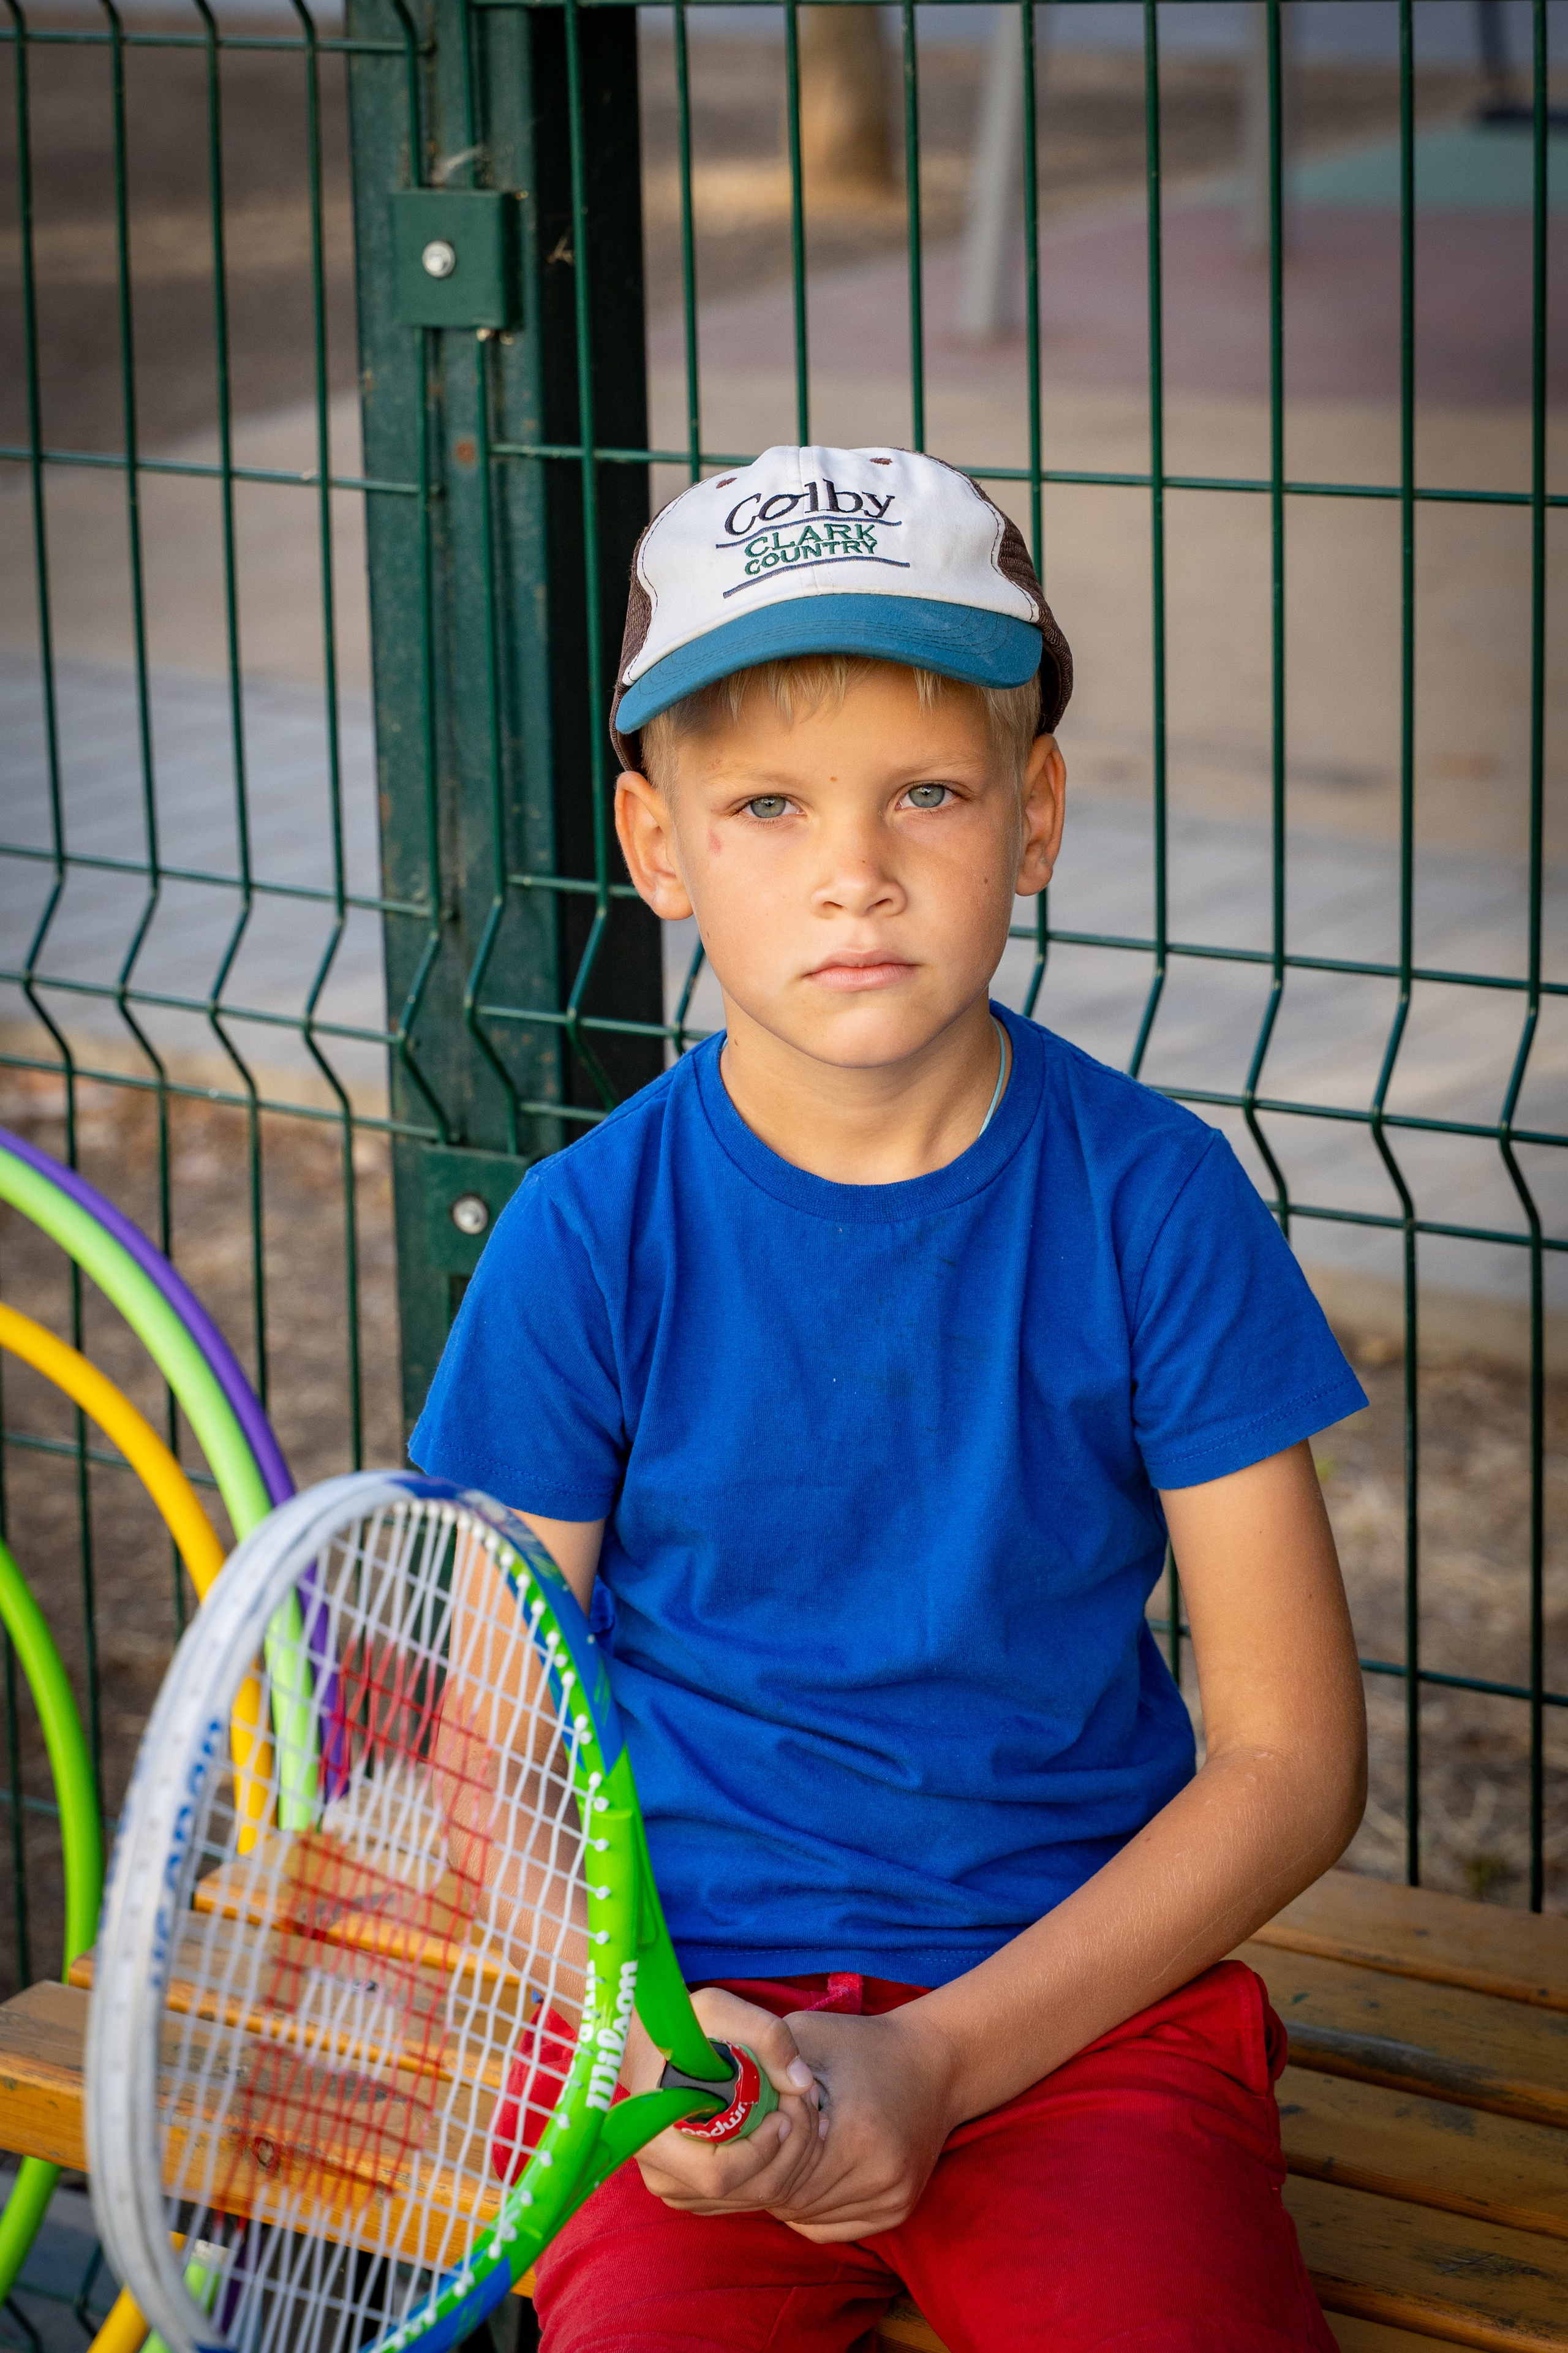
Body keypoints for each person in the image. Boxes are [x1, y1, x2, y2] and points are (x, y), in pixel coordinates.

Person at [412, 444, 1368, 2352]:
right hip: (692, 2036)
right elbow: (485, 1755)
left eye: (927, 791)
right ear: (658, 847)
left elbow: (1289, 1759)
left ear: (1033, 818)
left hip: (1075, 2015)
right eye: (768, 804)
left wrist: (938, 2055)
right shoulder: (584, 1238)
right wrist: (638, 2047)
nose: (855, 869)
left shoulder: (1152, 1204)